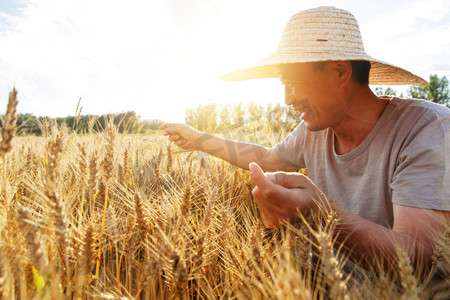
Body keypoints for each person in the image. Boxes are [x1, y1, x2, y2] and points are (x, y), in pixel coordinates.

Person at [160, 6, 450, 275]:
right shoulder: (315, 129)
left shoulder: (427, 130)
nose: (288, 99)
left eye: (294, 81)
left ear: (340, 71)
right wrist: (199, 139)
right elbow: (265, 159)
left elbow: (418, 258)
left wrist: (320, 213)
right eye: (284, 84)